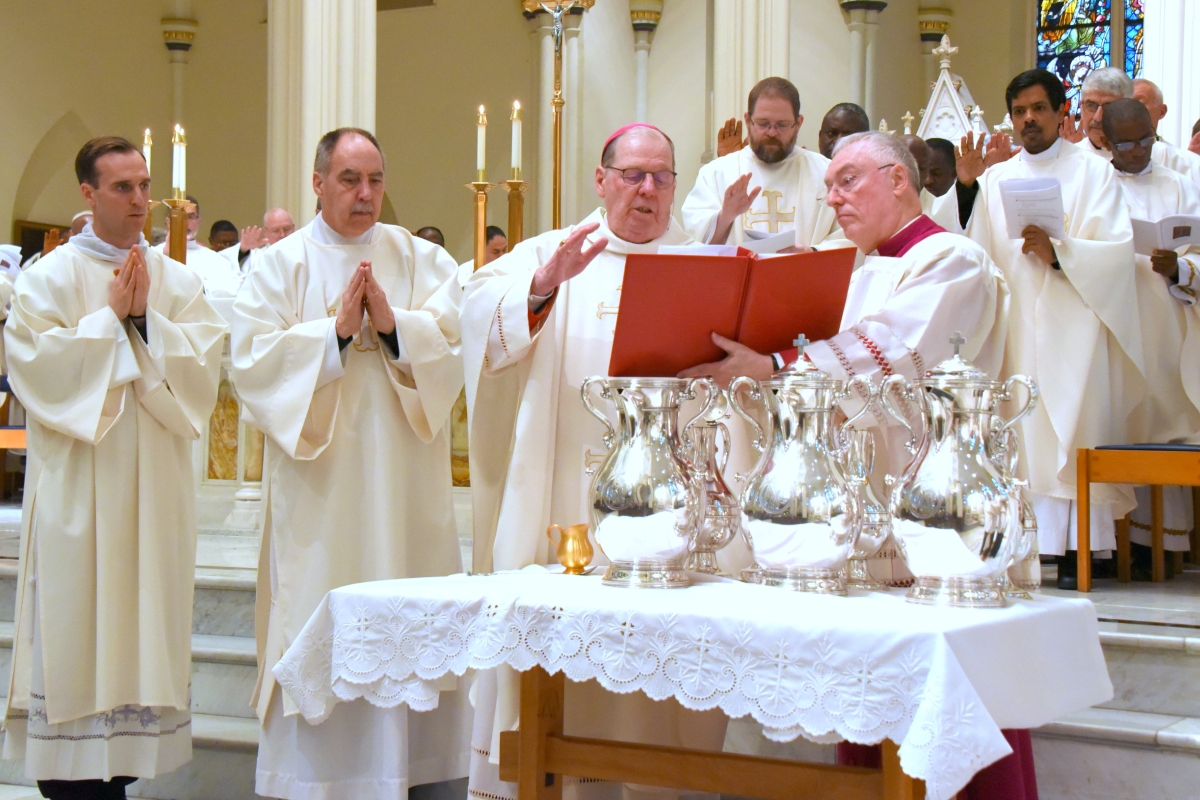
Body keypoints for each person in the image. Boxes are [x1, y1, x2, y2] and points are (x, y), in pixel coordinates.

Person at [462, 123, 727, 800]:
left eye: (662, 176)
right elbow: (478, 321)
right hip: (565, 513)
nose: (648, 190)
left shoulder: (705, 265)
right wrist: (543, 289)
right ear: (601, 179)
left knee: (661, 693)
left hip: (671, 529)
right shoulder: (553, 254)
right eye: (633, 174)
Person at [230, 127, 468, 800]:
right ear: (317, 183)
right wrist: (333, 334)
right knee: (316, 602)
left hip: (404, 491)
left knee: (409, 598)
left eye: (375, 181)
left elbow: (453, 344)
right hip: (320, 494)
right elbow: (251, 364)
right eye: (349, 180)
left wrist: (396, 329)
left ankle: (412, 767)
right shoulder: (278, 267)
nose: (365, 195)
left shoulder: (421, 260)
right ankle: (320, 780)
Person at [0, 136, 224, 800]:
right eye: (122, 188)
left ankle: (123, 776)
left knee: (139, 639)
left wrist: (146, 323)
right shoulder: (45, 280)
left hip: (154, 497)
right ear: (88, 195)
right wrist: (113, 321)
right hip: (79, 494)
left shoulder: (177, 281)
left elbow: (202, 378)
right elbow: (37, 374)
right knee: (77, 637)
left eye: (144, 186)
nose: (139, 201)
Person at [680, 131, 1007, 478]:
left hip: (934, 481)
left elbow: (890, 354)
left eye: (847, 181)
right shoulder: (866, 271)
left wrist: (771, 364)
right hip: (864, 483)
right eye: (829, 188)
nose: (833, 200)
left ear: (897, 179)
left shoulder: (954, 259)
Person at [949, 68, 1143, 590]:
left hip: (1073, 324)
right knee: (1019, 434)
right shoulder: (994, 179)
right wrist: (965, 189)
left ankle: (1077, 546)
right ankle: (1022, 544)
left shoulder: (1094, 173)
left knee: (1068, 426)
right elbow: (968, 252)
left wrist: (1060, 255)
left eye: (1038, 109)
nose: (1028, 119)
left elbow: (1115, 252)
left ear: (1063, 113)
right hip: (1013, 329)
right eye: (1019, 111)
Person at [1103, 98, 1200, 576]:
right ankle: (1115, 544)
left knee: (1164, 426)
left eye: (1147, 140)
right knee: (1119, 424)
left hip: (1168, 328)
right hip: (1115, 324)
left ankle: (1160, 546)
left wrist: (1180, 266)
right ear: (1106, 141)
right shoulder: (1095, 185)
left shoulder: (1181, 185)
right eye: (1128, 143)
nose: (1140, 151)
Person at [682, 78, 842, 249]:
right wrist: (725, 217)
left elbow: (846, 237)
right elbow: (697, 244)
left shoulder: (826, 172)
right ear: (747, 120)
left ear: (798, 123)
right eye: (763, 123)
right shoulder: (716, 173)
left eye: (782, 124)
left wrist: (811, 253)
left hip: (805, 275)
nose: (772, 132)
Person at [155, 195, 242, 297]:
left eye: (191, 217)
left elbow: (231, 290)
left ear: (198, 221)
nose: (186, 223)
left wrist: (197, 287)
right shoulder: (155, 254)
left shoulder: (216, 260)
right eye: (180, 217)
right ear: (168, 222)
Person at [1131, 78, 1200, 189]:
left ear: (1162, 111)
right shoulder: (1100, 159)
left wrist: (1192, 162)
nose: (1129, 111)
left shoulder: (1185, 162)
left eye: (1139, 103)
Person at [1062, 66, 1132, 161]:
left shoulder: (1154, 154)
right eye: (1091, 106)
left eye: (1109, 108)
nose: (1098, 118)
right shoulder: (1068, 158)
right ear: (1081, 107)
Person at [899, 133, 937, 213]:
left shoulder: (937, 209)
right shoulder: (875, 202)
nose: (916, 175)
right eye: (909, 166)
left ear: (928, 168)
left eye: (922, 168)